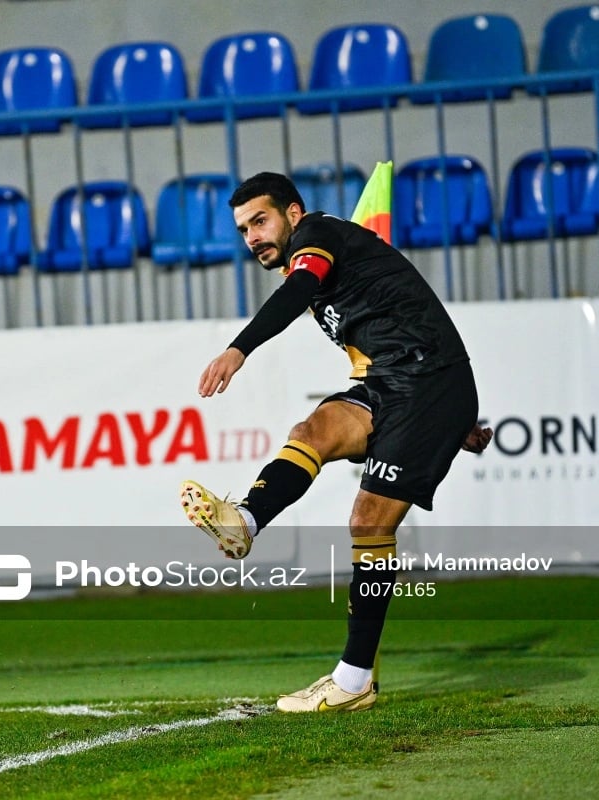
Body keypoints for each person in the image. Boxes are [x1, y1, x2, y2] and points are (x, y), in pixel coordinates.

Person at [179, 171, 492, 713]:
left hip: (425, 382)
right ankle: (244, 522)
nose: (253, 237)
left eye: (261, 220)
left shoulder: (315, 236)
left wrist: (238, 349)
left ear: (293, 214)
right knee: (312, 433)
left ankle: (353, 681)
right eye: (243, 229)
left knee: (368, 523)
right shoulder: (326, 251)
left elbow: (300, 288)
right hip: (395, 382)